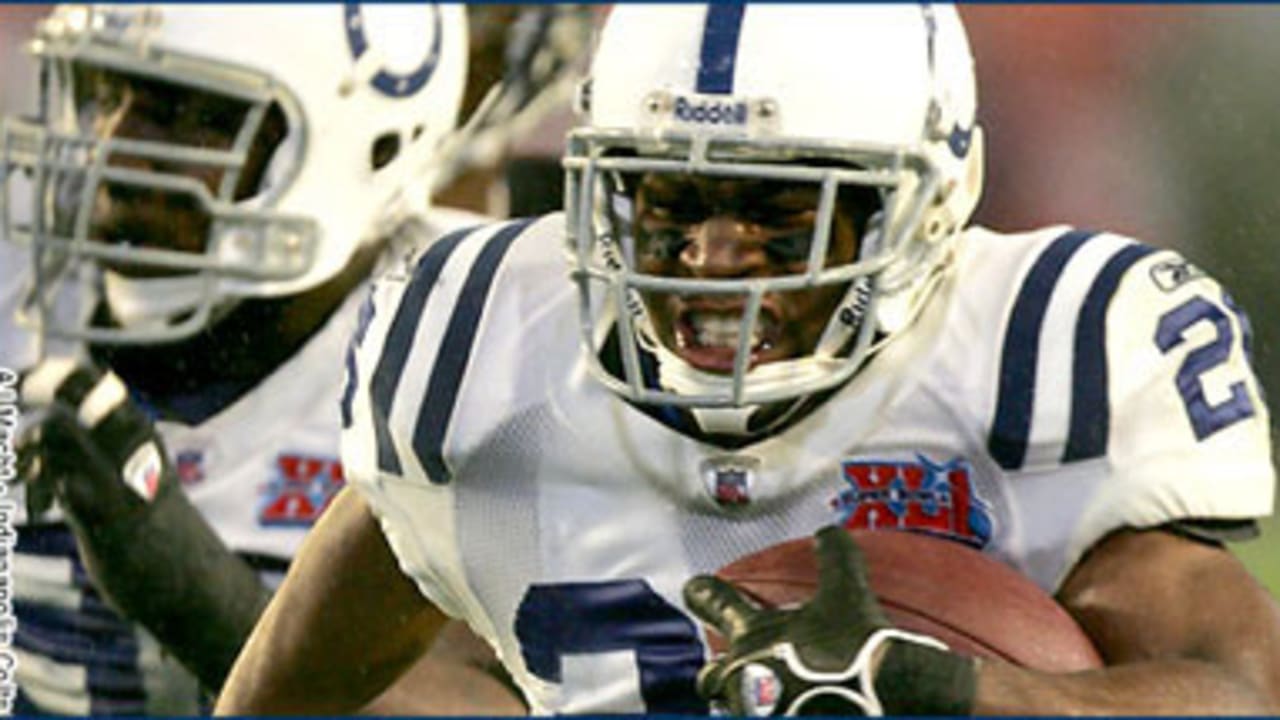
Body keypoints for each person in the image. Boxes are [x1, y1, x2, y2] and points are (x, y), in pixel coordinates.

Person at [216, 4, 1280, 715]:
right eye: (668, 202)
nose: (710, 263)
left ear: (921, 205)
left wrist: (944, 691)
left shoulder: (1039, 350)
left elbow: (1232, 693)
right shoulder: (485, 348)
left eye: (781, 217)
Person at [4, 4, 526, 715]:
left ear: (362, 145)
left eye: (190, 114)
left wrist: (201, 603)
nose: (112, 150)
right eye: (106, 93)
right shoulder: (17, 281)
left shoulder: (473, 332)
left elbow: (493, 706)